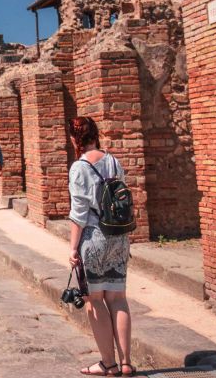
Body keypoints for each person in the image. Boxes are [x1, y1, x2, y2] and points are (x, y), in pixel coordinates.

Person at [67, 117, 134, 377]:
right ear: (95, 134)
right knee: (118, 299)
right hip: (118, 237)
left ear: (75, 139)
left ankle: (109, 363)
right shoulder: (113, 161)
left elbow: (79, 214)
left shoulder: (79, 167)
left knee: (95, 302)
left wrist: (73, 249)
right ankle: (127, 362)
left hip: (93, 238)